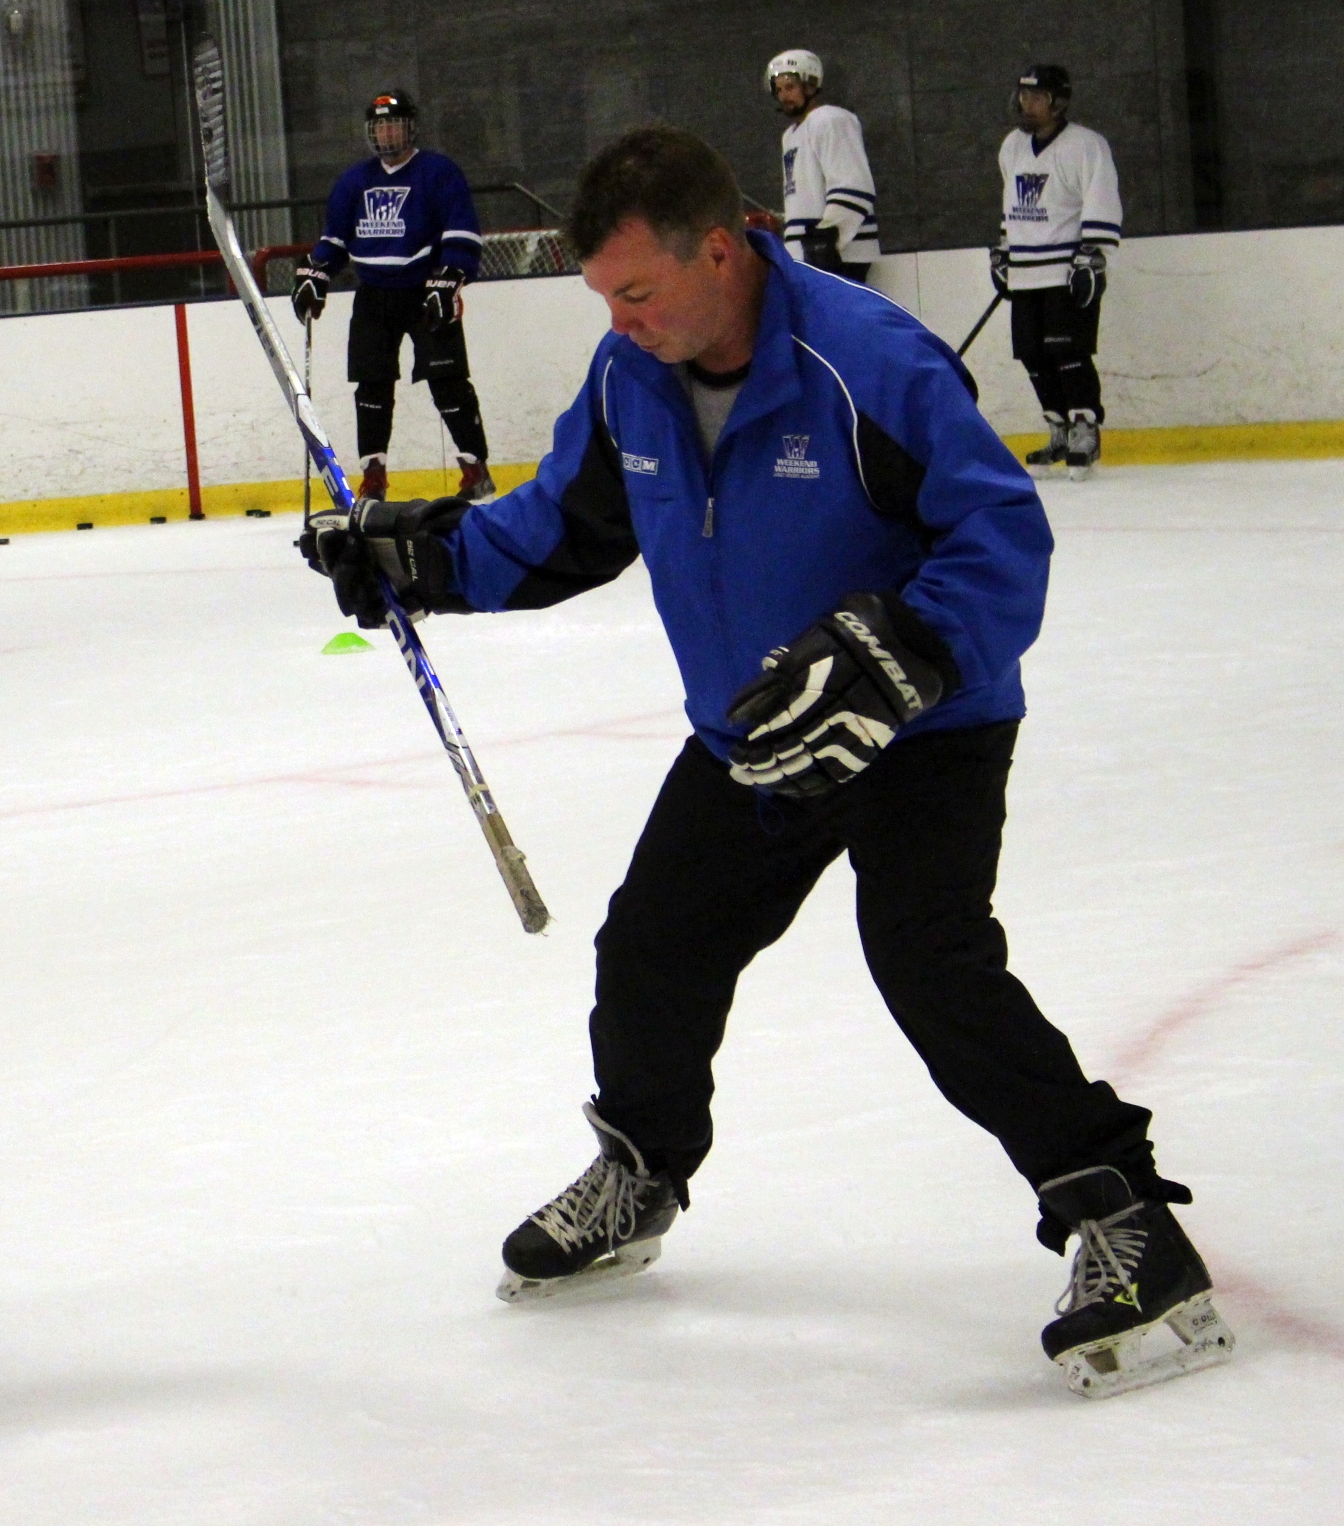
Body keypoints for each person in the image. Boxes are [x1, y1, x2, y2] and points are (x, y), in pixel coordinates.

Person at [298, 127, 1232, 1399]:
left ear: (720, 248)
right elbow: (559, 526)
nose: (619, 320)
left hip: (924, 729)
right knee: (651, 946)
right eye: (603, 298)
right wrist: (419, 562)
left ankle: (1124, 1219)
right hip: (752, 730)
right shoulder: (631, 375)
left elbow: (1001, 537)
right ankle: (639, 1167)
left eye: (637, 290)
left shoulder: (864, 359)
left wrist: (907, 647)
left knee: (928, 959)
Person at [293, 89, 497, 505]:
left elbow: (461, 230)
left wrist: (451, 275)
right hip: (374, 296)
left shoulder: (438, 172)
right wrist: (316, 271)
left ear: (410, 128)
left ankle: (476, 469)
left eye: (394, 124)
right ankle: (373, 476)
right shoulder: (354, 180)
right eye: (380, 125)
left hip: (426, 291)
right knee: (371, 386)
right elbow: (334, 239)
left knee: (447, 381)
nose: (386, 133)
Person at [989, 64, 1121, 479]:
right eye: (1023, 95)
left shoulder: (1086, 145)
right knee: (1032, 354)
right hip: (1026, 270)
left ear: (1058, 102)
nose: (1027, 103)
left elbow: (1100, 201)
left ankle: (1086, 430)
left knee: (1069, 352)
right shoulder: (1012, 145)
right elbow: (1010, 205)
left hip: (1065, 270)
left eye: (1037, 97)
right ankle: (1059, 428)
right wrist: (1004, 249)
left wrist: (1092, 256)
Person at [766, 48, 879, 283]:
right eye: (778, 90)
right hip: (806, 257)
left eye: (790, 87)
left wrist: (826, 239)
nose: (784, 95)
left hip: (839, 256)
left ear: (810, 85)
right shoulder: (791, 135)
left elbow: (855, 186)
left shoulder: (830, 119)